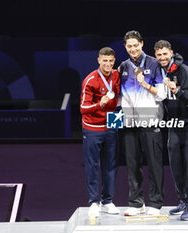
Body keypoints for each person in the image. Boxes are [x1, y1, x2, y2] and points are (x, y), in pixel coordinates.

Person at [154, 40, 188, 221]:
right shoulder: (160, 72)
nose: (162, 58)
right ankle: (182, 200)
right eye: (159, 55)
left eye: (165, 54)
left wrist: (178, 90)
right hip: (174, 123)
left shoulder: (184, 71)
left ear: (171, 53)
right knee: (175, 163)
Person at [119, 30, 166, 216]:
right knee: (132, 163)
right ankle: (136, 203)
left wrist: (146, 84)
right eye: (129, 46)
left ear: (142, 44)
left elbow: (162, 94)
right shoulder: (122, 66)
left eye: (135, 45)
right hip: (130, 121)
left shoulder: (154, 64)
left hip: (150, 119)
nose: (133, 48)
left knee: (154, 163)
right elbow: (120, 95)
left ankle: (155, 202)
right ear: (125, 47)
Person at [80, 47, 121, 218]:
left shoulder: (117, 75)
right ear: (98, 60)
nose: (108, 64)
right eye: (105, 60)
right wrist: (100, 104)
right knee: (92, 165)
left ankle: (107, 201)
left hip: (112, 124)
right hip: (93, 128)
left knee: (111, 165)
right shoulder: (90, 80)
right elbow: (83, 108)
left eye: (111, 60)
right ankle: (93, 202)